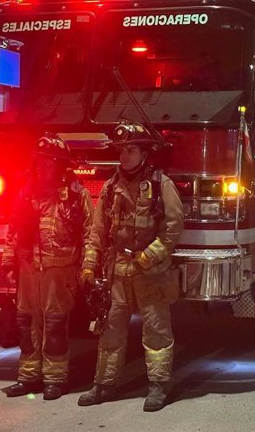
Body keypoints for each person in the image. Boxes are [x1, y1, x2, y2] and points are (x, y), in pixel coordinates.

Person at [78, 122, 183, 412]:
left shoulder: (162, 185)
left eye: (131, 149)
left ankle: (159, 386)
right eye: (121, 150)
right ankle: (104, 384)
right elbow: (97, 230)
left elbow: (173, 229)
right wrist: (89, 265)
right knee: (110, 330)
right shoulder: (111, 187)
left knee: (156, 330)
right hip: (118, 271)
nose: (124, 156)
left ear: (144, 152)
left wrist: (149, 256)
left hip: (151, 272)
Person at [1, 134, 94, 400]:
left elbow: (91, 232)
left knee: (54, 325)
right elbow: (14, 228)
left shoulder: (77, 194)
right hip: (29, 268)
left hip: (61, 269)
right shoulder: (26, 192)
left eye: (50, 163)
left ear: (61, 165)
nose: (44, 167)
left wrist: (87, 267)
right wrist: (9, 261)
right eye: (40, 162)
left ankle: (55, 379)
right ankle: (29, 377)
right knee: (26, 323)